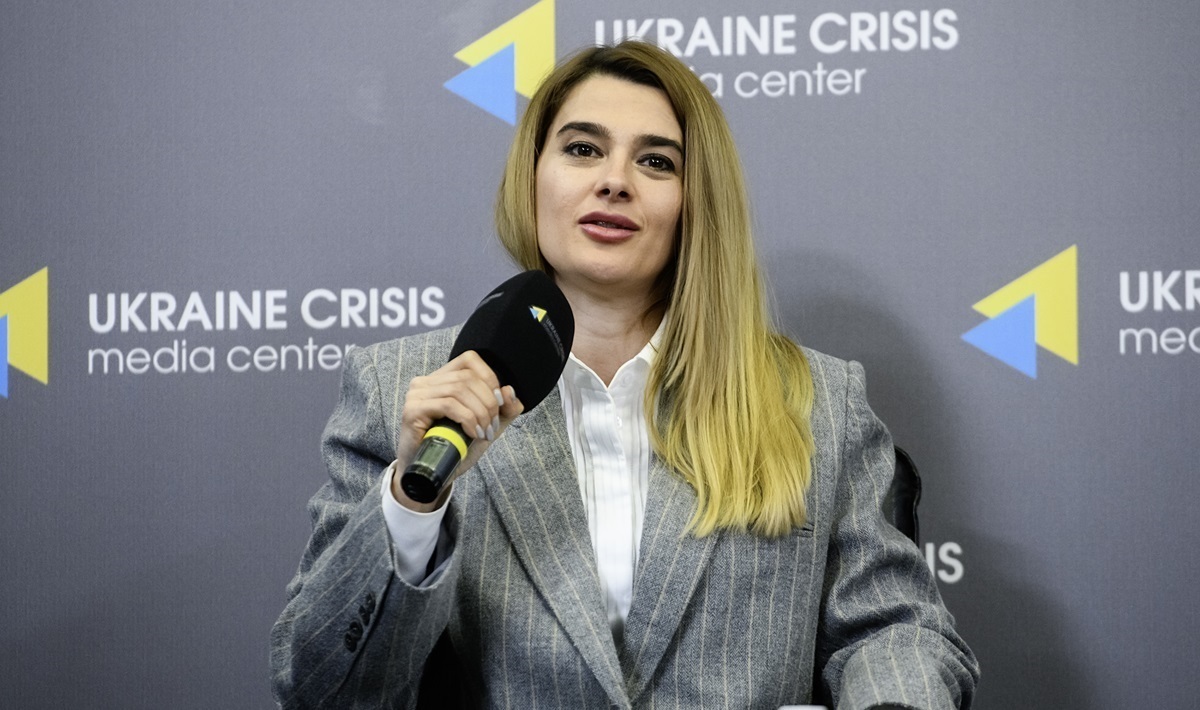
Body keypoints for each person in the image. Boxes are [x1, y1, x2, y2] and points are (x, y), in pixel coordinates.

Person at [270, 41, 978, 709]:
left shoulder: (818, 400)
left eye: (657, 162)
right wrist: (412, 501)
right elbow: (322, 687)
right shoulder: (402, 386)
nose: (614, 181)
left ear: (696, 201)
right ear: (533, 176)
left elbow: (894, 631)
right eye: (582, 149)